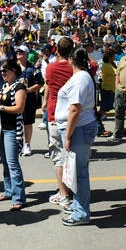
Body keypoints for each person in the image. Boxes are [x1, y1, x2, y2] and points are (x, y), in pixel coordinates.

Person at [55, 48, 99, 226]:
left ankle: (81, 213)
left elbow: (75, 108)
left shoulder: (81, 78)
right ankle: (79, 206)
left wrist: (67, 136)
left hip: (78, 129)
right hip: (79, 128)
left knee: (79, 172)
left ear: (72, 59)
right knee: (77, 171)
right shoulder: (81, 77)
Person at [0, 59, 27, 211]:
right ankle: (9, 191)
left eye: (6, 70)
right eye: (1, 71)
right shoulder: (4, 86)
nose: (2, 73)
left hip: (12, 129)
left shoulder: (20, 86)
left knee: (12, 164)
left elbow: (19, 108)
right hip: (1, 129)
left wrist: (0, 108)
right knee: (5, 163)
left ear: (14, 71)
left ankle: (19, 198)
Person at [43, 37, 75, 207]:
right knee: (70, 156)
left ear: (57, 50)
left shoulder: (51, 68)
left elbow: (48, 85)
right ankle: (69, 190)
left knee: (58, 158)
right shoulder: (75, 68)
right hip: (73, 115)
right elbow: (93, 66)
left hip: (55, 114)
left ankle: (64, 194)